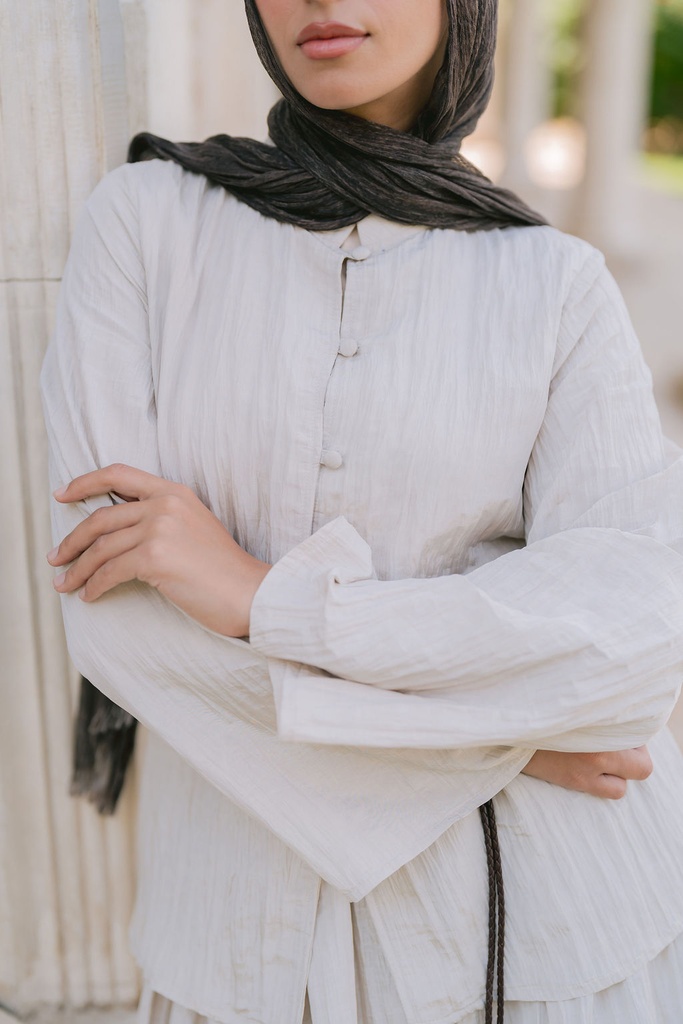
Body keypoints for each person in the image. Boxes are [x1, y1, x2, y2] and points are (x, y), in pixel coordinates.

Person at [39, 0, 683, 1022]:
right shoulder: (147, 223)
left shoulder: (553, 283)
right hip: (234, 942)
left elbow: (634, 633)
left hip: (543, 937)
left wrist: (262, 601)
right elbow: (121, 620)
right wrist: (505, 737)